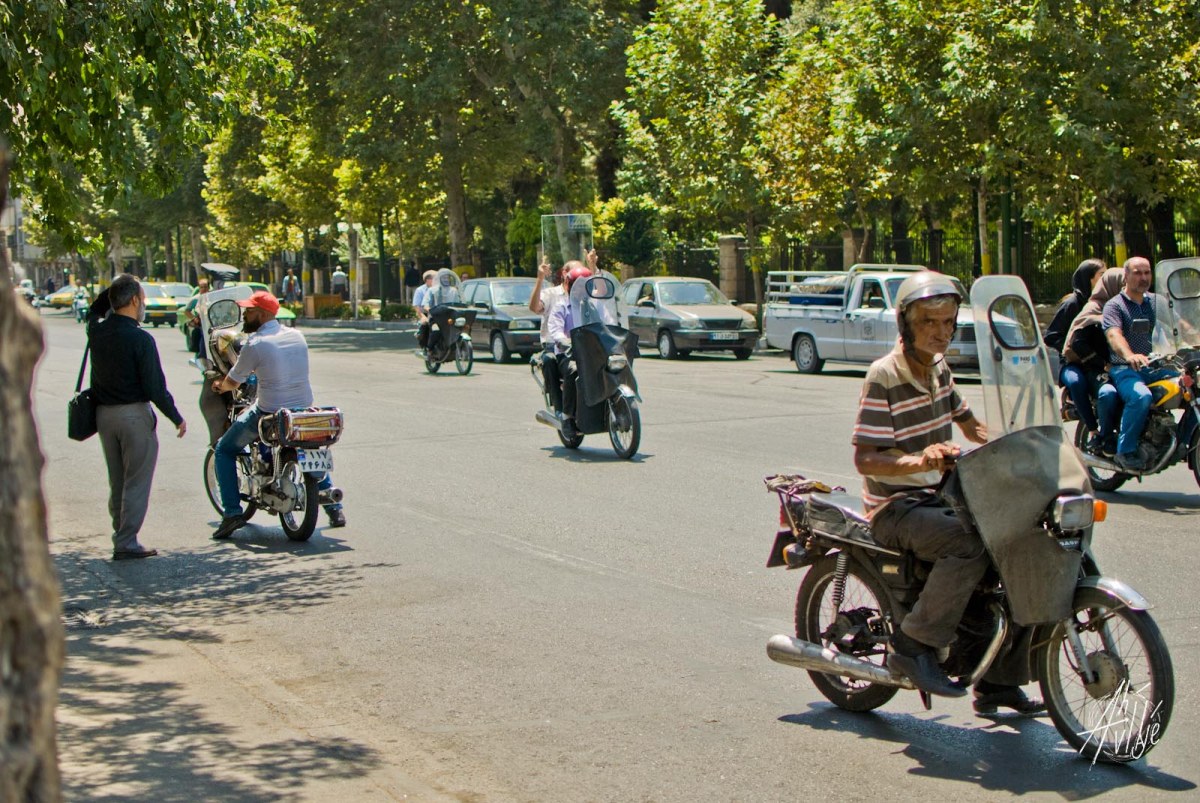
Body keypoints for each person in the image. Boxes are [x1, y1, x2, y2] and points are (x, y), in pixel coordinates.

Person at [853, 271, 1043, 714]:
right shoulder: (883, 375)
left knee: (1017, 543)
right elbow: (865, 458)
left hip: (940, 496)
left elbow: (970, 422)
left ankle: (997, 682)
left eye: (947, 323)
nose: (940, 333)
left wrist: (1016, 438)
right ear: (907, 325)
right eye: (929, 323)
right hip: (895, 506)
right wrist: (920, 460)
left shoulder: (939, 368)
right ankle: (914, 642)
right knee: (968, 543)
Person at [209, 291, 345, 538]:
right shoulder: (297, 336)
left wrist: (220, 386)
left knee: (224, 450)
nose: (244, 315)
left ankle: (231, 513)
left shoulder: (255, 344)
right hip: (304, 409)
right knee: (310, 450)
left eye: (249, 311)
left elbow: (234, 380)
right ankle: (335, 507)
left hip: (269, 412)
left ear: (261, 314)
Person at [87, 274, 188, 560]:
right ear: (133, 301)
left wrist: (116, 288)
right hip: (134, 417)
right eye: (142, 298)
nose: (143, 304)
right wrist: (176, 417)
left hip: (104, 417)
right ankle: (127, 542)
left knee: (117, 480)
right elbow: (155, 387)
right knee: (136, 481)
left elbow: (93, 311)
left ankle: (121, 534)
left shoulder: (97, 332)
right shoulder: (141, 338)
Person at [1098, 256, 1174, 472]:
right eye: (1138, 273)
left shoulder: (1157, 302)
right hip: (1125, 368)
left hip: (1156, 365)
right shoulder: (1115, 306)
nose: (1143, 278)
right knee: (1141, 396)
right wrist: (1130, 355)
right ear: (1126, 276)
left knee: (1190, 386)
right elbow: (1114, 335)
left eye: (1147, 272)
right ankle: (1126, 451)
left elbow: (1181, 325)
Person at [1062, 268, 1125, 455]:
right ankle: (1102, 437)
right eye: (1122, 285)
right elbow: (1078, 344)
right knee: (1107, 394)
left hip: (1124, 366)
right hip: (1092, 367)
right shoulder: (1093, 309)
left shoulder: (1127, 307)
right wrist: (1103, 364)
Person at [1044, 259, 1105, 435]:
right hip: (1073, 363)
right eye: (1101, 275)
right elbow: (1051, 336)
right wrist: (1075, 349)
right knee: (1077, 382)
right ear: (1089, 279)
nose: (1104, 279)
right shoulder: (1072, 304)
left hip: (1098, 361)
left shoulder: (1105, 302)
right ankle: (1093, 429)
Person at [546, 262, 595, 424]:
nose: (580, 290)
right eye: (577, 286)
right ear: (569, 286)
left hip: (592, 352)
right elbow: (556, 330)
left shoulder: (594, 307)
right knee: (574, 369)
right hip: (569, 354)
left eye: (585, 286)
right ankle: (567, 415)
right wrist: (565, 341)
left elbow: (607, 323)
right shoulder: (561, 306)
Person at [183, 278, 211, 356]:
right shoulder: (195, 299)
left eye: (205, 287)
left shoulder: (212, 297)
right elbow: (186, 311)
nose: (204, 289)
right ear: (199, 288)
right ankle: (201, 356)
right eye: (202, 287)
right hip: (202, 324)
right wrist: (194, 318)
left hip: (213, 322)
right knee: (203, 337)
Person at [414, 270, 435, 355]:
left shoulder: (440, 289)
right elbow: (416, 306)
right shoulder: (420, 290)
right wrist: (422, 316)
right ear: (427, 280)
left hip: (438, 313)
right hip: (425, 313)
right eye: (434, 278)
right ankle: (425, 346)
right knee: (425, 324)